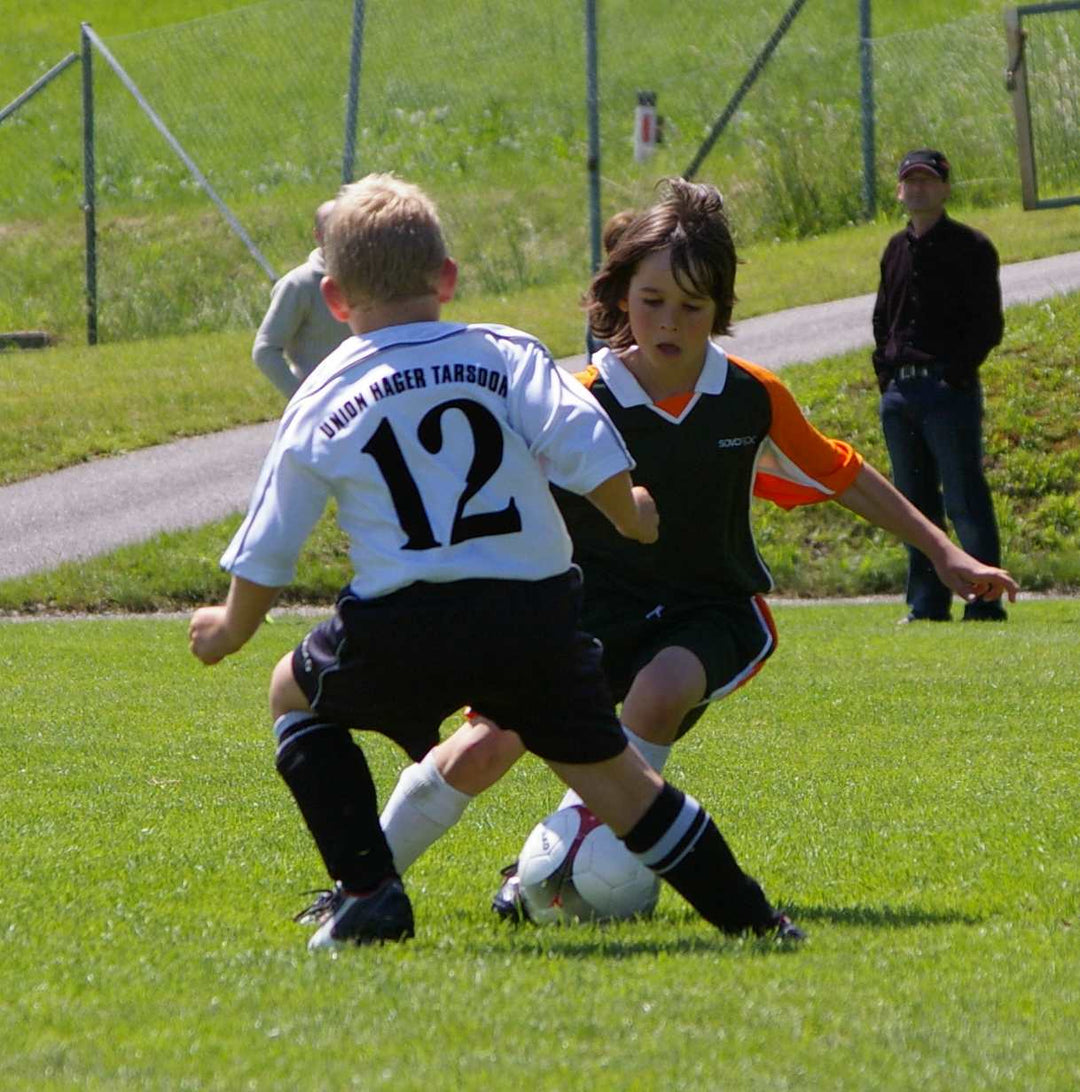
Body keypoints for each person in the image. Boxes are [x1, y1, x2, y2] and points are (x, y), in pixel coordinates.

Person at [189, 173, 806, 950]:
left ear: (337, 300)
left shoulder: (324, 392)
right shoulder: (504, 351)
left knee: (293, 693)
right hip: (532, 617)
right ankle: (756, 921)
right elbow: (580, 440)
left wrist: (232, 626)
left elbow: (272, 537)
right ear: (446, 280)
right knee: (620, 783)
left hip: (400, 619)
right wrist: (632, 513)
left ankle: (369, 888)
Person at [375, 178, 1019, 922]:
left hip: (707, 608)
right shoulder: (572, 398)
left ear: (722, 309)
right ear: (619, 296)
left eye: (693, 307)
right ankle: (364, 885)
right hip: (585, 614)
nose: (670, 322)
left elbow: (843, 473)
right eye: (652, 301)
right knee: (483, 751)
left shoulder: (751, 395)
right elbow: (484, 500)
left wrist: (946, 555)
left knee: (660, 688)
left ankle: (566, 854)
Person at [872, 149, 1007, 624]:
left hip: (947, 392)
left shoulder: (971, 247)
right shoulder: (894, 249)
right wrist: (885, 375)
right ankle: (927, 604)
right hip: (900, 394)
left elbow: (987, 324)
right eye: (910, 181)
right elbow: (882, 319)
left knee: (964, 496)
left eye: (928, 180)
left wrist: (954, 376)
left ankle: (985, 600)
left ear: (946, 188)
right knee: (913, 505)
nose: (918, 188)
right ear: (899, 190)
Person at [252, 199, 351, 398]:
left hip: (369, 398)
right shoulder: (299, 284)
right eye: (334, 230)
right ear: (318, 236)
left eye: (349, 228)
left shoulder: (371, 278)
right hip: (323, 405)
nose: (343, 237)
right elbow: (265, 350)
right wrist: (303, 399)